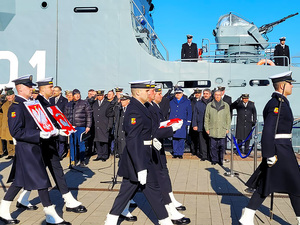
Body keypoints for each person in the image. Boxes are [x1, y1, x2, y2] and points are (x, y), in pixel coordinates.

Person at [0, 75, 71, 225]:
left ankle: (3, 211)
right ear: (20, 88)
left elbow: (43, 124)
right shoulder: (16, 107)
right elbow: (16, 132)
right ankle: (51, 215)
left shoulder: (30, 104)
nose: (32, 88)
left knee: (18, 182)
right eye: (29, 86)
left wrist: (58, 132)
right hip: (27, 151)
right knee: (42, 182)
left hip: (34, 148)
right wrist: (37, 134)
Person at [104, 80, 173, 225]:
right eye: (147, 91)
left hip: (143, 156)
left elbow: (147, 132)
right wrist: (140, 167)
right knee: (149, 191)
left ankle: (111, 219)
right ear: (138, 92)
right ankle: (165, 221)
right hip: (138, 159)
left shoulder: (143, 107)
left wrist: (166, 132)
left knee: (130, 192)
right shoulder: (134, 109)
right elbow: (133, 140)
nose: (150, 93)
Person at [239, 71, 300, 225]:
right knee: (296, 183)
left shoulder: (281, 102)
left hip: (283, 148)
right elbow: (268, 130)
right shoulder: (276, 104)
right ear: (282, 86)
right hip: (280, 150)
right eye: (290, 83)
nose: (292, 86)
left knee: (267, 183)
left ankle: (247, 214)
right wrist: (269, 154)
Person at [64, 89, 92, 167]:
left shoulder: (84, 103)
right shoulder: (69, 104)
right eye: (76, 94)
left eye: (78, 94)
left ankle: (82, 160)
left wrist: (88, 126)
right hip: (71, 127)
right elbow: (65, 116)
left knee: (81, 143)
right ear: (73, 96)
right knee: (72, 143)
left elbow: (89, 115)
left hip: (81, 126)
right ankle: (73, 160)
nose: (77, 95)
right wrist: (66, 126)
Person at [204, 90, 231, 165]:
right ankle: (214, 160)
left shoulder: (226, 105)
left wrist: (227, 128)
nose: (217, 96)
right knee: (213, 147)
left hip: (222, 129)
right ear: (214, 95)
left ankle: (220, 159)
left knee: (222, 146)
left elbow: (228, 118)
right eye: (216, 95)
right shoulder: (209, 105)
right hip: (212, 129)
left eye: (219, 95)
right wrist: (207, 128)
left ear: (221, 95)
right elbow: (206, 118)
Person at [169, 87, 192, 158]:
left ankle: (180, 153)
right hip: (174, 122)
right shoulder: (172, 101)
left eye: (179, 93)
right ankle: (175, 153)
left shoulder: (187, 101)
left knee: (181, 138)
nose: (177, 94)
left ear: (182, 93)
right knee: (175, 138)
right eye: (176, 93)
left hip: (182, 122)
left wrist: (188, 122)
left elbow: (189, 112)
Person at [93, 90, 114, 161]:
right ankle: (99, 155)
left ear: (103, 96)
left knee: (104, 140)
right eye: (98, 96)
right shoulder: (94, 103)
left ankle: (105, 155)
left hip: (104, 124)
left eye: (100, 95)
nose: (99, 97)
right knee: (98, 140)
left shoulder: (108, 103)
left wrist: (110, 125)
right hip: (97, 125)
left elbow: (110, 116)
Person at [192, 89, 212, 161]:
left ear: (210, 94)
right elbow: (195, 114)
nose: (205, 95)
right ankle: (204, 155)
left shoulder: (213, 103)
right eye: (204, 93)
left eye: (207, 93)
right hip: (200, 125)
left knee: (210, 141)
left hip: (210, 126)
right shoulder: (199, 103)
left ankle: (210, 156)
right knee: (202, 141)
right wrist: (194, 124)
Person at [49, 85, 69, 158]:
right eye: (53, 91)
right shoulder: (51, 100)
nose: (54, 92)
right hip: (53, 122)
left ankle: (60, 153)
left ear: (60, 92)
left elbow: (65, 111)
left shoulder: (64, 100)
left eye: (56, 91)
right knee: (55, 138)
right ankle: (56, 152)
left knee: (61, 139)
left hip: (61, 121)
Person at [113, 93, 130, 159]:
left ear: (128, 100)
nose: (122, 101)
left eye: (124, 100)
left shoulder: (131, 109)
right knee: (121, 154)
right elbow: (108, 113)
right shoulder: (118, 108)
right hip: (119, 134)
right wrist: (114, 103)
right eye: (121, 100)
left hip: (127, 134)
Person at [0, 89, 15, 160]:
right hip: (6, 124)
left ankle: (15, 153)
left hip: (14, 123)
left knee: (14, 140)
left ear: (13, 95)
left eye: (10, 95)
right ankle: (10, 153)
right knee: (8, 140)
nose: (8, 97)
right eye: (7, 96)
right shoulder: (4, 104)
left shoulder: (16, 103)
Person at [188, 88, 202, 155]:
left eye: (198, 93)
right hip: (192, 120)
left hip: (200, 121)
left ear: (200, 94)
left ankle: (199, 150)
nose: (197, 94)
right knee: (193, 137)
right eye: (196, 93)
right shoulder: (191, 100)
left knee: (200, 137)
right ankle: (193, 150)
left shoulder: (202, 101)